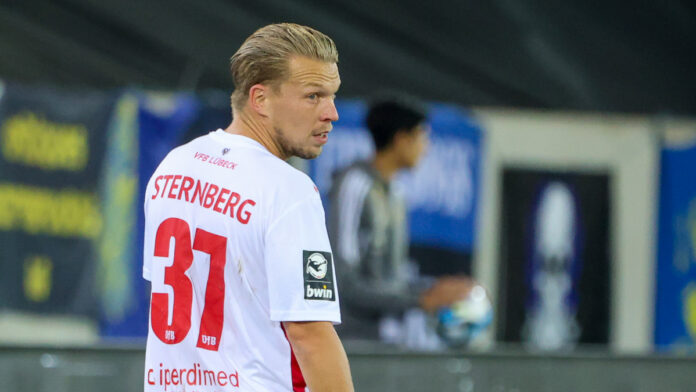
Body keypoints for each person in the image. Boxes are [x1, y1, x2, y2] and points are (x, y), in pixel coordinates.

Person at [142, 23, 353, 392]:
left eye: (332, 95)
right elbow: (310, 337)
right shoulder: (289, 191)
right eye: (313, 96)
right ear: (260, 99)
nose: (331, 113)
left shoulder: (173, 166)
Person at [328, 95, 472, 345]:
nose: (426, 147)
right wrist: (421, 299)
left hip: (388, 342)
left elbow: (390, 280)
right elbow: (342, 283)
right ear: (401, 139)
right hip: (352, 342)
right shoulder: (354, 185)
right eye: (422, 136)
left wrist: (434, 290)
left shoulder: (395, 193)